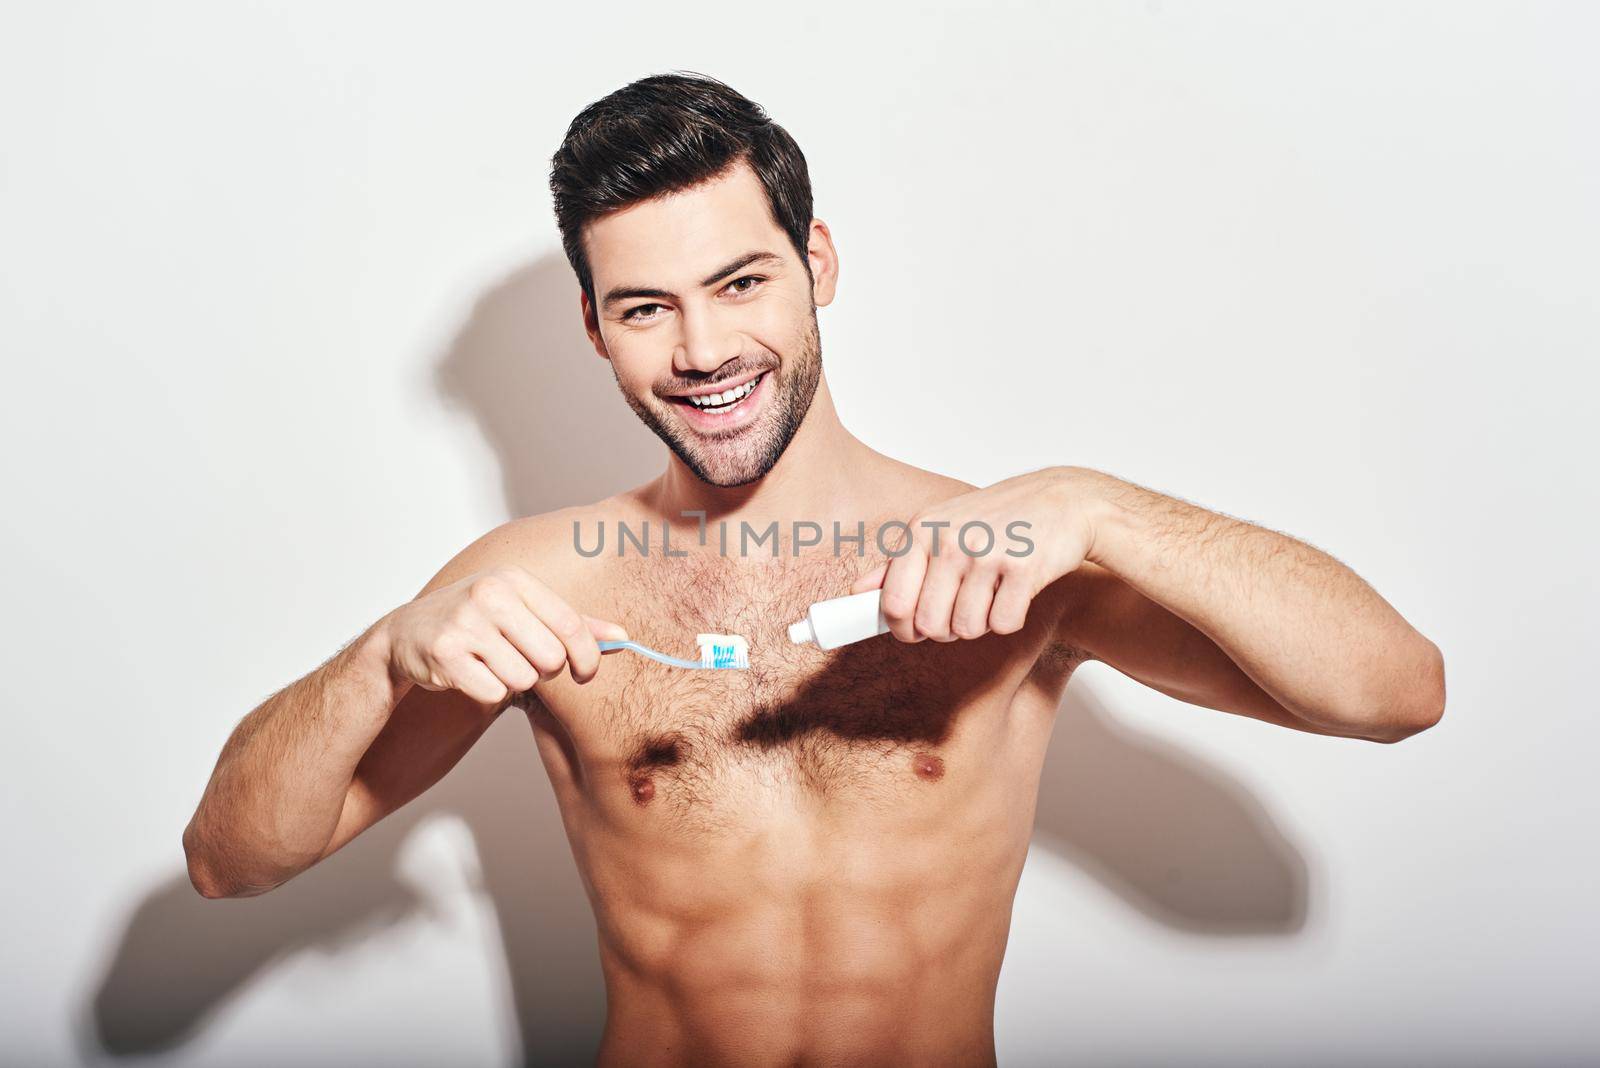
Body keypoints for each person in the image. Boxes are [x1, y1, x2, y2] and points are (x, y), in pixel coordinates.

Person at [183, 71, 1445, 1066]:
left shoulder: (1009, 558)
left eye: (740, 282)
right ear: (594, 328)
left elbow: (1393, 693)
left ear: (816, 265)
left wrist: (1102, 505)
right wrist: (380, 653)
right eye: (644, 308)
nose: (704, 348)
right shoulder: (540, 584)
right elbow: (232, 862)